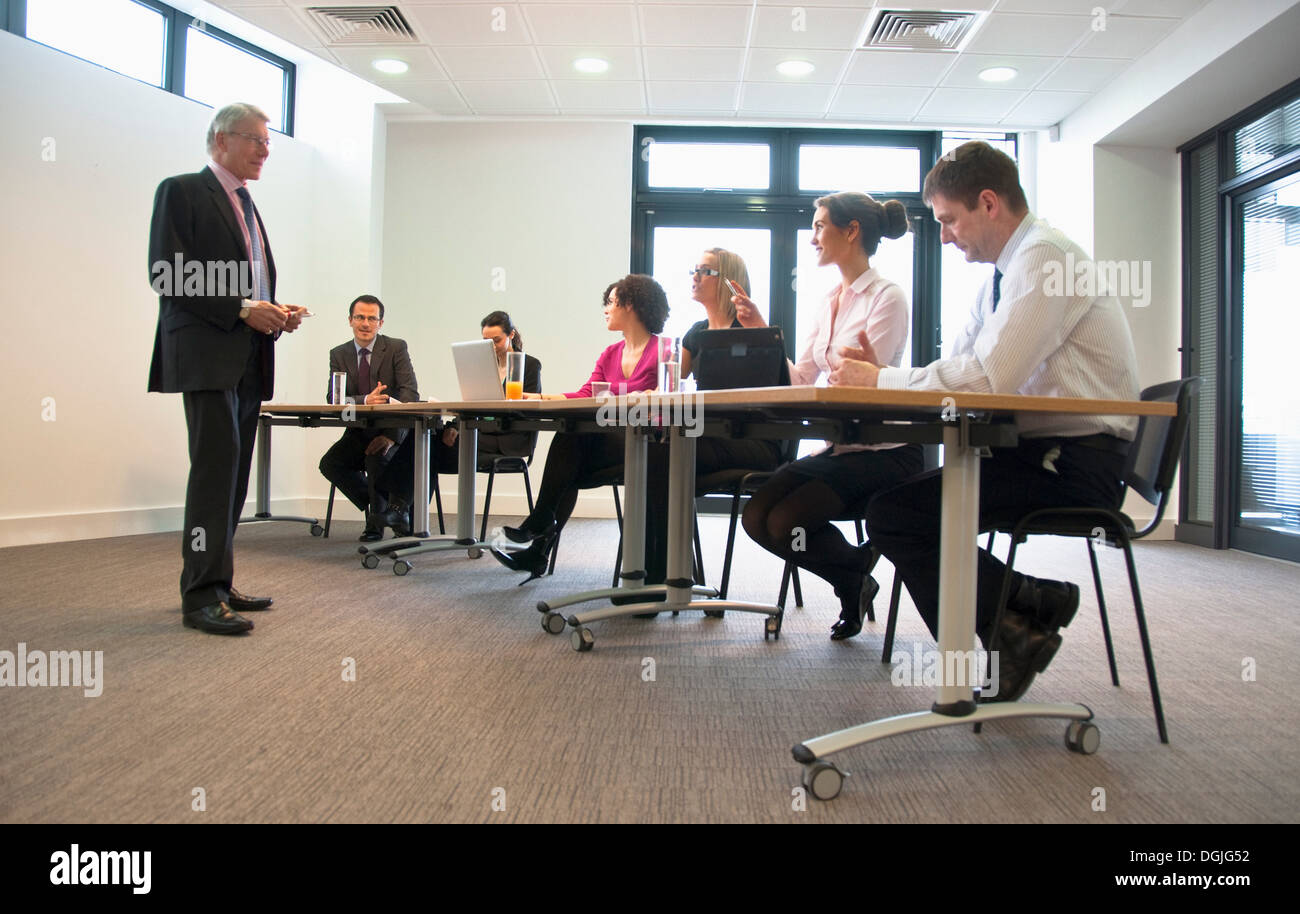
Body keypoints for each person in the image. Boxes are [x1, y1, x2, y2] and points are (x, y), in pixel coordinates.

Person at [842, 141, 1140, 701]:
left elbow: (987, 379)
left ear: (988, 203)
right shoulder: (1001, 276)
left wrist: (880, 383)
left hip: (1075, 465)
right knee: (897, 511)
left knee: (898, 515)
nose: (945, 235)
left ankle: (1018, 618)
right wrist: (885, 376)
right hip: (1034, 452)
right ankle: (1024, 611)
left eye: (950, 220)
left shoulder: (1045, 260)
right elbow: (959, 364)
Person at [147, 102, 307, 636]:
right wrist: (243, 308)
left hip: (248, 355)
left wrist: (274, 312)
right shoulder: (183, 191)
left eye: (268, 142)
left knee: (234, 473)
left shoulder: (246, 204)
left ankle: (218, 577)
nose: (265, 150)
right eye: (256, 139)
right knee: (215, 470)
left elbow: (250, 285)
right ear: (221, 140)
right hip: (206, 353)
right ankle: (200, 596)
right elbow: (167, 272)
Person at [736, 193, 924, 640]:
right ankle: (855, 572)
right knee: (756, 516)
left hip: (887, 451)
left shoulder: (887, 297)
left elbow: (859, 379)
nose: (812, 237)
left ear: (851, 230)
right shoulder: (828, 300)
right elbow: (803, 378)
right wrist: (764, 334)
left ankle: (852, 577)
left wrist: (858, 375)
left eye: (820, 226)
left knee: (786, 522)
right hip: (842, 447)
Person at [489, 275, 668, 582]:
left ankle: (540, 528)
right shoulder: (610, 353)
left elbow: (664, 400)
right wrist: (540, 397)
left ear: (632, 305)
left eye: (611, 302)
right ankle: (539, 543)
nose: (606, 309)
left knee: (573, 443)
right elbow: (588, 393)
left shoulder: (664, 351)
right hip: (609, 444)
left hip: (646, 443)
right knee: (571, 448)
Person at [641, 249, 782, 593]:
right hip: (706, 438)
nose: (695, 276)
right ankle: (661, 570)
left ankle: (662, 572)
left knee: (667, 452)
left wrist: (761, 329)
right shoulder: (696, 333)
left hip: (752, 443)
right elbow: (669, 385)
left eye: (704, 271)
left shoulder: (754, 330)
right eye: (695, 269)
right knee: (654, 451)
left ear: (729, 283)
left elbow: (785, 386)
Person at [376, 311, 542, 527]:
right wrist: (455, 426)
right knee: (426, 442)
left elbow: (521, 413)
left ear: (511, 335)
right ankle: (404, 514)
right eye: (486, 342)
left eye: (497, 340)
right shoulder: (483, 365)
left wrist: (467, 429)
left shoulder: (527, 365)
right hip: (478, 434)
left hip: (510, 439)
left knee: (429, 445)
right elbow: (472, 404)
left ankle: (399, 510)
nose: (492, 346)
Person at [318, 294, 420, 542]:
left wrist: (390, 436)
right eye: (360, 317)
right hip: (359, 432)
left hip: (394, 432)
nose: (365, 323)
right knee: (330, 463)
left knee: (376, 459)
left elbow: (410, 394)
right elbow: (335, 399)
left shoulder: (396, 348)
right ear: (350, 320)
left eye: (371, 318)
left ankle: (376, 526)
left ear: (380, 323)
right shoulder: (339, 353)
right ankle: (380, 511)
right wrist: (364, 400)